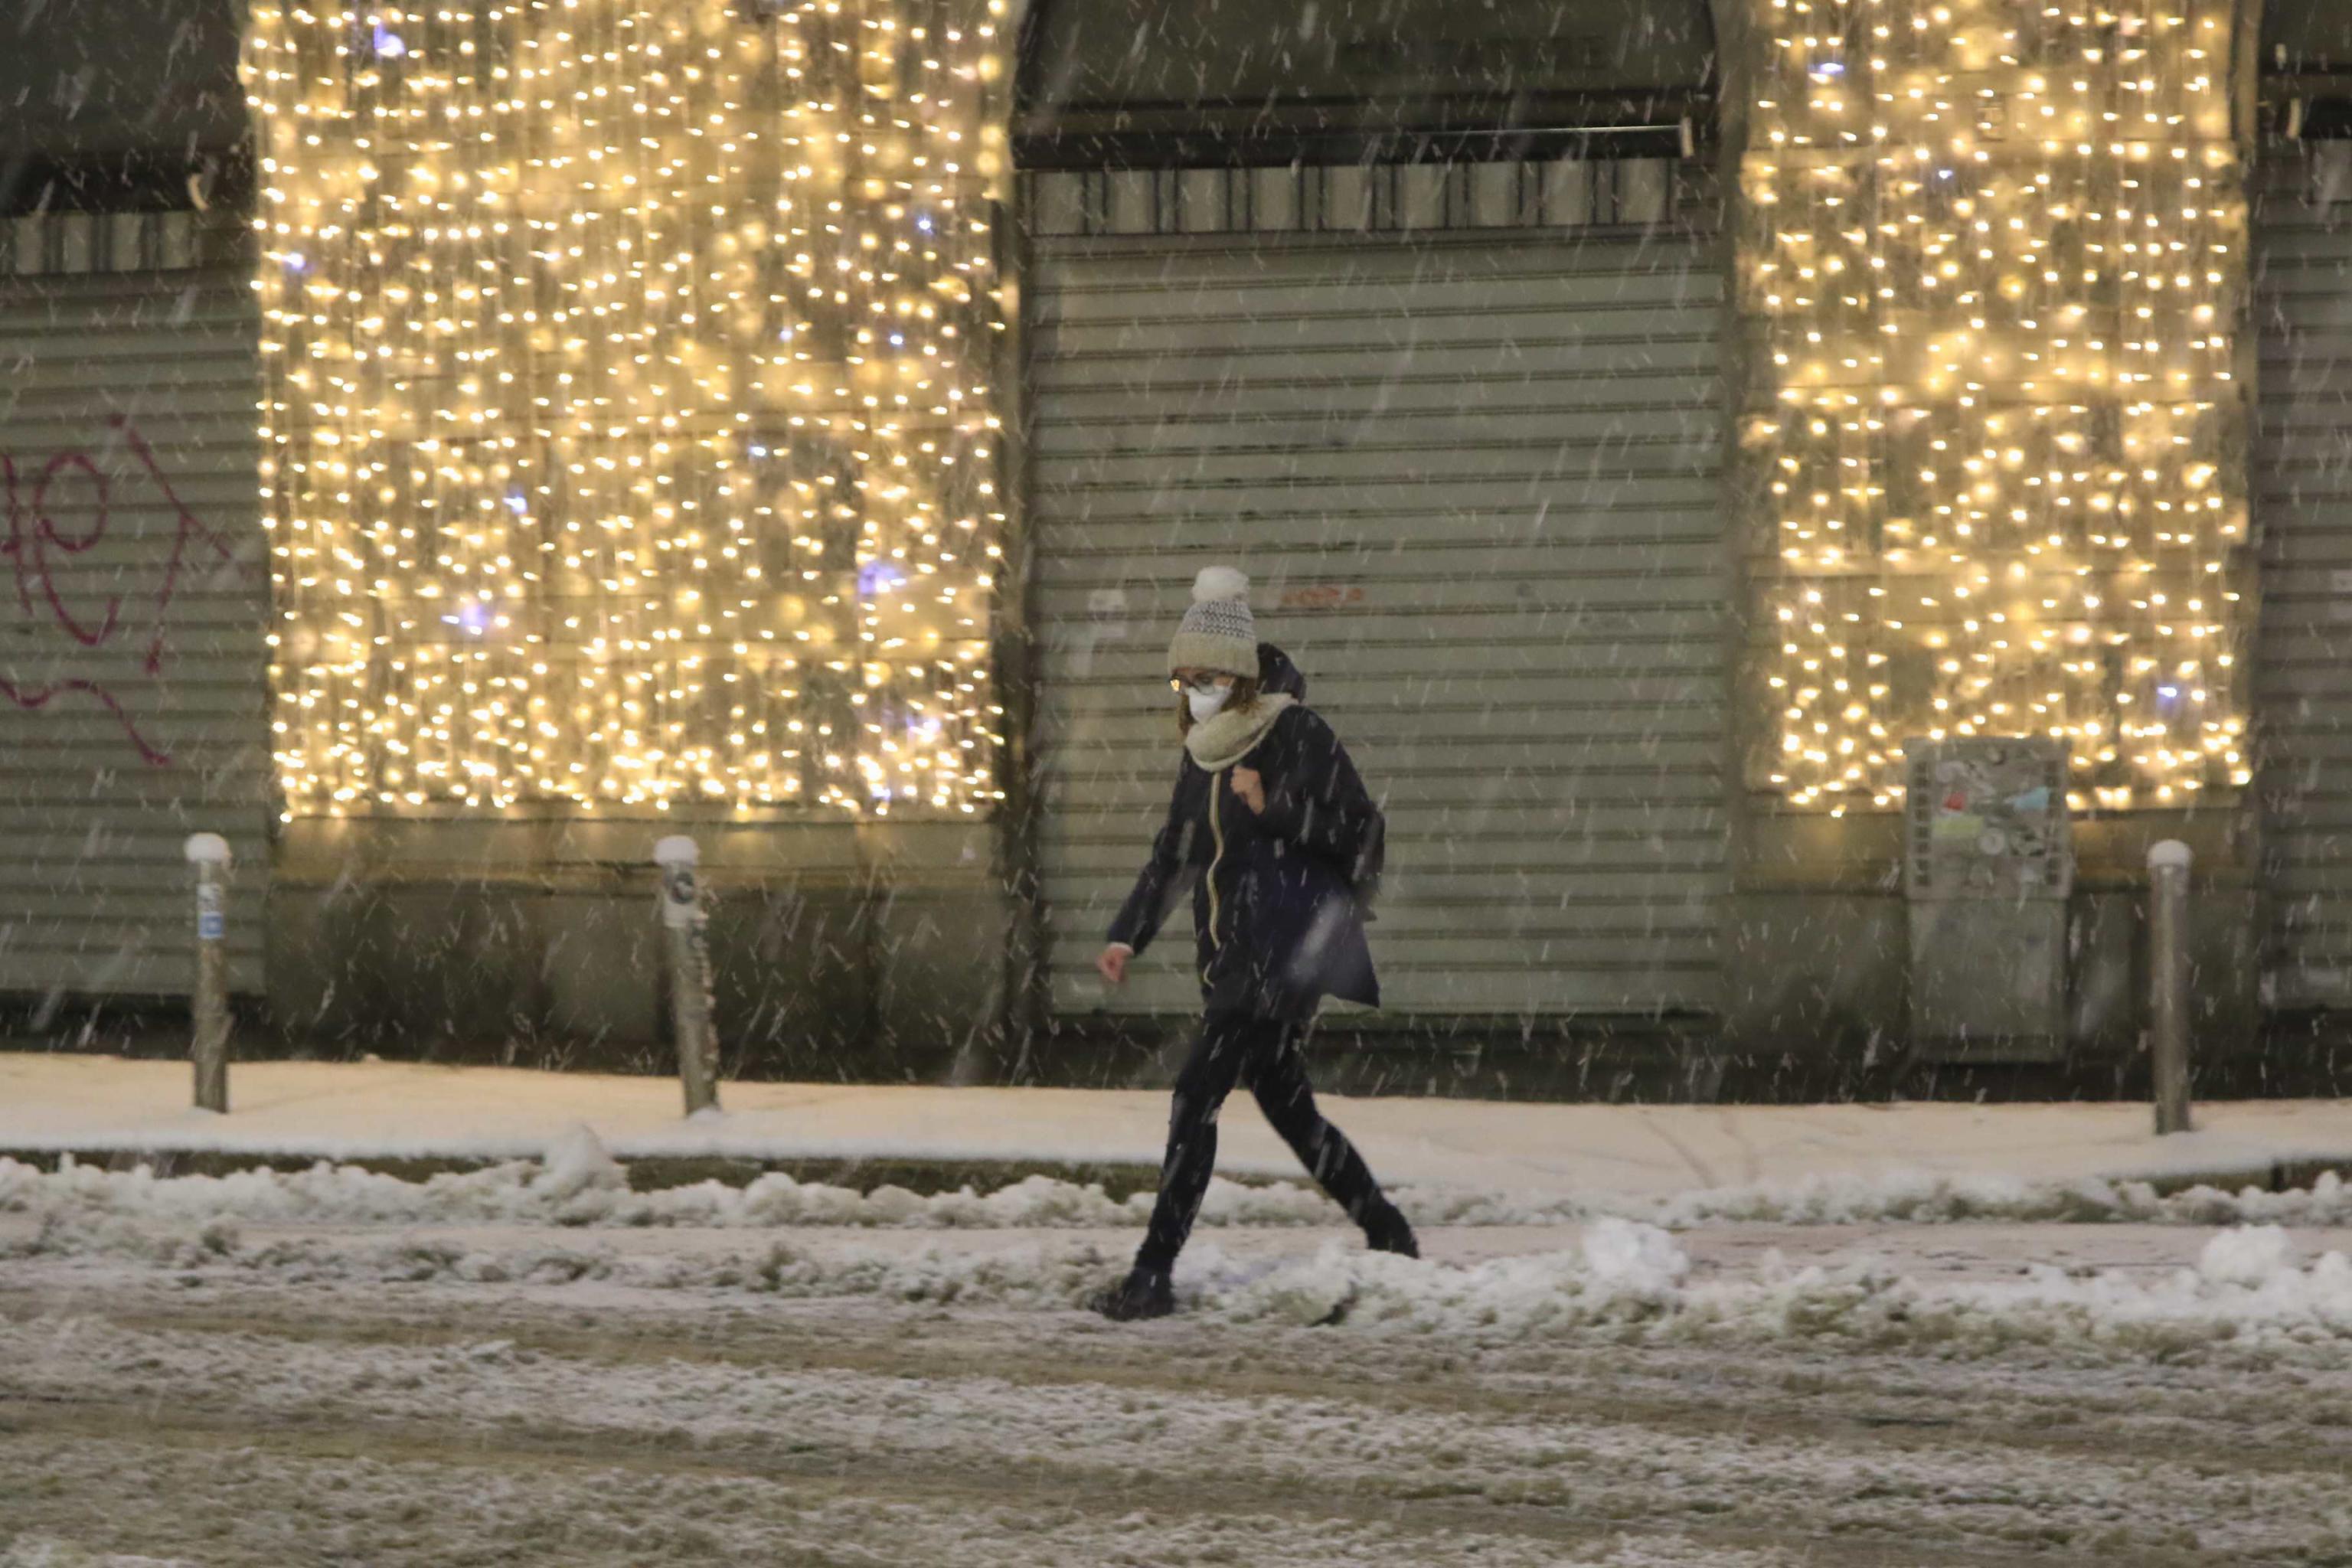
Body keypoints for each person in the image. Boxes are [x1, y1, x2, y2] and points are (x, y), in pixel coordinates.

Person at [1088, 565, 1417, 1322]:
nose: (1192, 689)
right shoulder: (1205, 749)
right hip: (1231, 960)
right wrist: (1126, 933)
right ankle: (1389, 1231)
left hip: (1280, 955)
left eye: (1204, 675)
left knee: (1193, 1096)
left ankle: (1152, 1273)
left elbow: (1362, 833)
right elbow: (1176, 851)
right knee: (1288, 1105)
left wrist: (1277, 806)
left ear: (1236, 675)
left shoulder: (1294, 731)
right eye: (1184, 678)